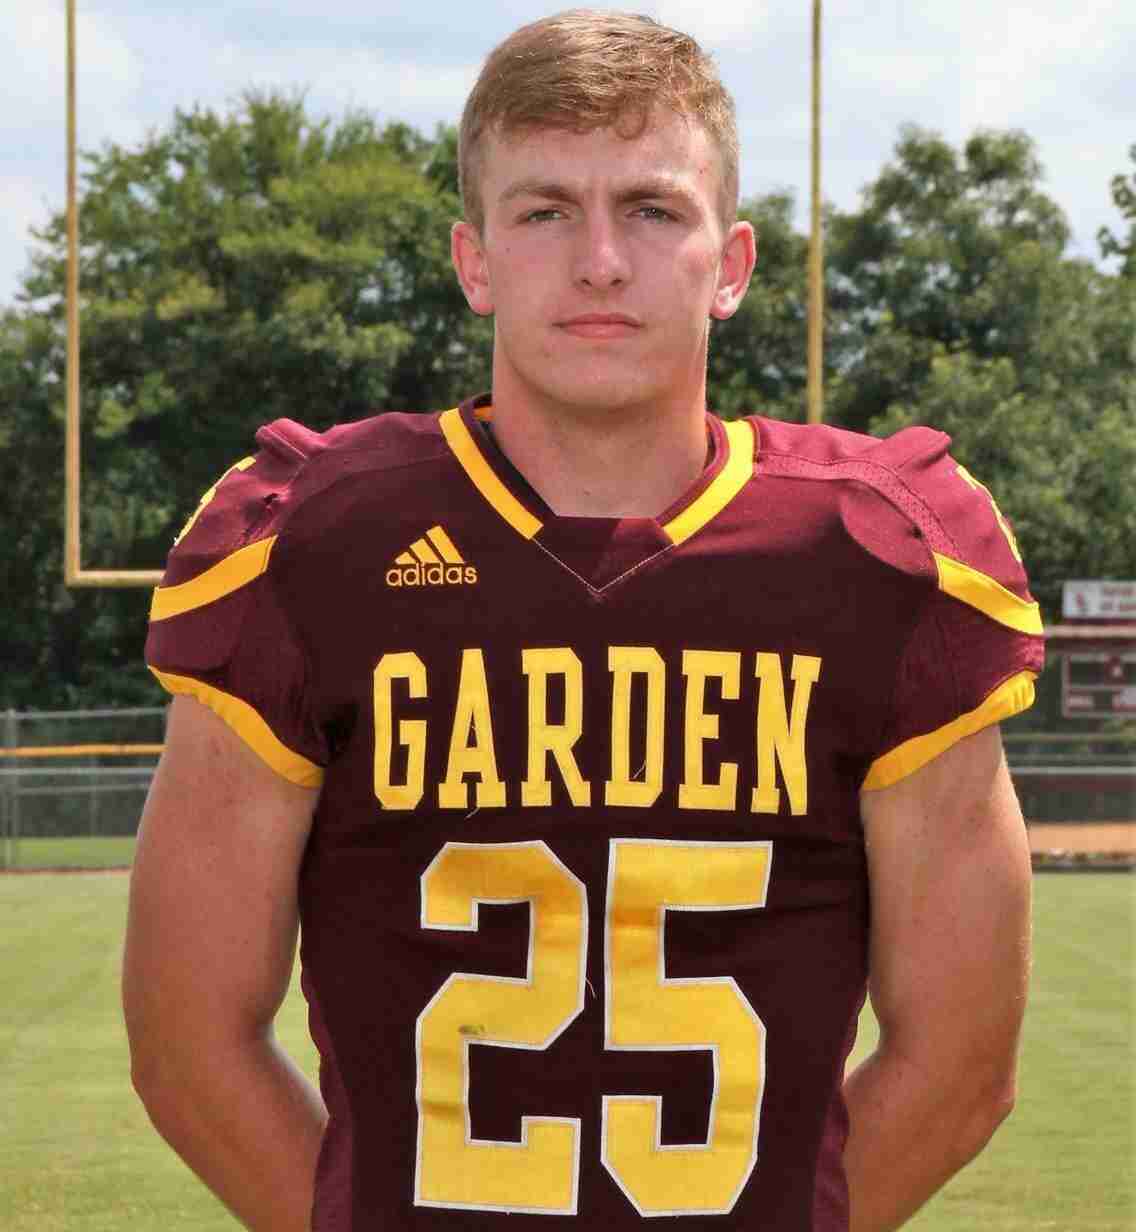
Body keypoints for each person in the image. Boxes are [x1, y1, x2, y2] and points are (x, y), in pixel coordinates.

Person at [123, 10, 1044, 1232]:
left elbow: (959, 1062)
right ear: (474, 260)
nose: (600, 260)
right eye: (545, 210)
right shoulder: (313, 544)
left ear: (731, 264)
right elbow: (189, 1042)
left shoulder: (877, 555)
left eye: (652, 209)